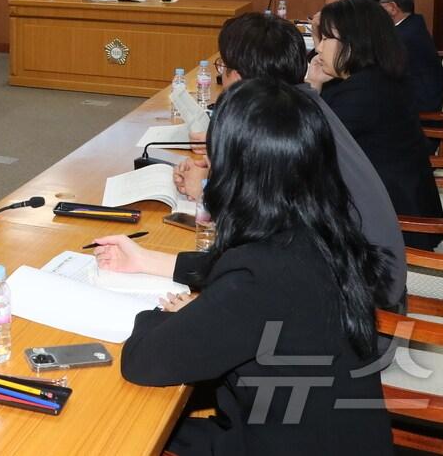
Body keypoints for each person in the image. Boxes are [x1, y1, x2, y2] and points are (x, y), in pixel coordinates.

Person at [95, 79, 394, 456]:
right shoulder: (320, 230)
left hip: (276, 440)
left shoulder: (261, 276)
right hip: (326, 433)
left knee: (117, 432)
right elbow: (235, 280)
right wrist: (149, 262)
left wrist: (164, 314)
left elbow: (144, 361)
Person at [170, 12, 406, 308]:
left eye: (224, 69)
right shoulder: (301, 109)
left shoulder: (289, 128)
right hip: (351, 274)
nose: (221, 79)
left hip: (357, 303)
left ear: (241, 78)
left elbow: (262, 233)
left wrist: (207, 190)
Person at [308, 0, 443, 248]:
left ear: (354, 43)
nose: (318, 49)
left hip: (392, 230)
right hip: (388, 206)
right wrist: (315, 86)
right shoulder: (374, 79)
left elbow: (309, 147)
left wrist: (311, 90)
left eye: (326, 39)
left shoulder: (363, 94)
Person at [379, 0, 443, 114]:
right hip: (419, 98)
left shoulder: (402, 38)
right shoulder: (413, 24)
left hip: (421, 112)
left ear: (392, 8)